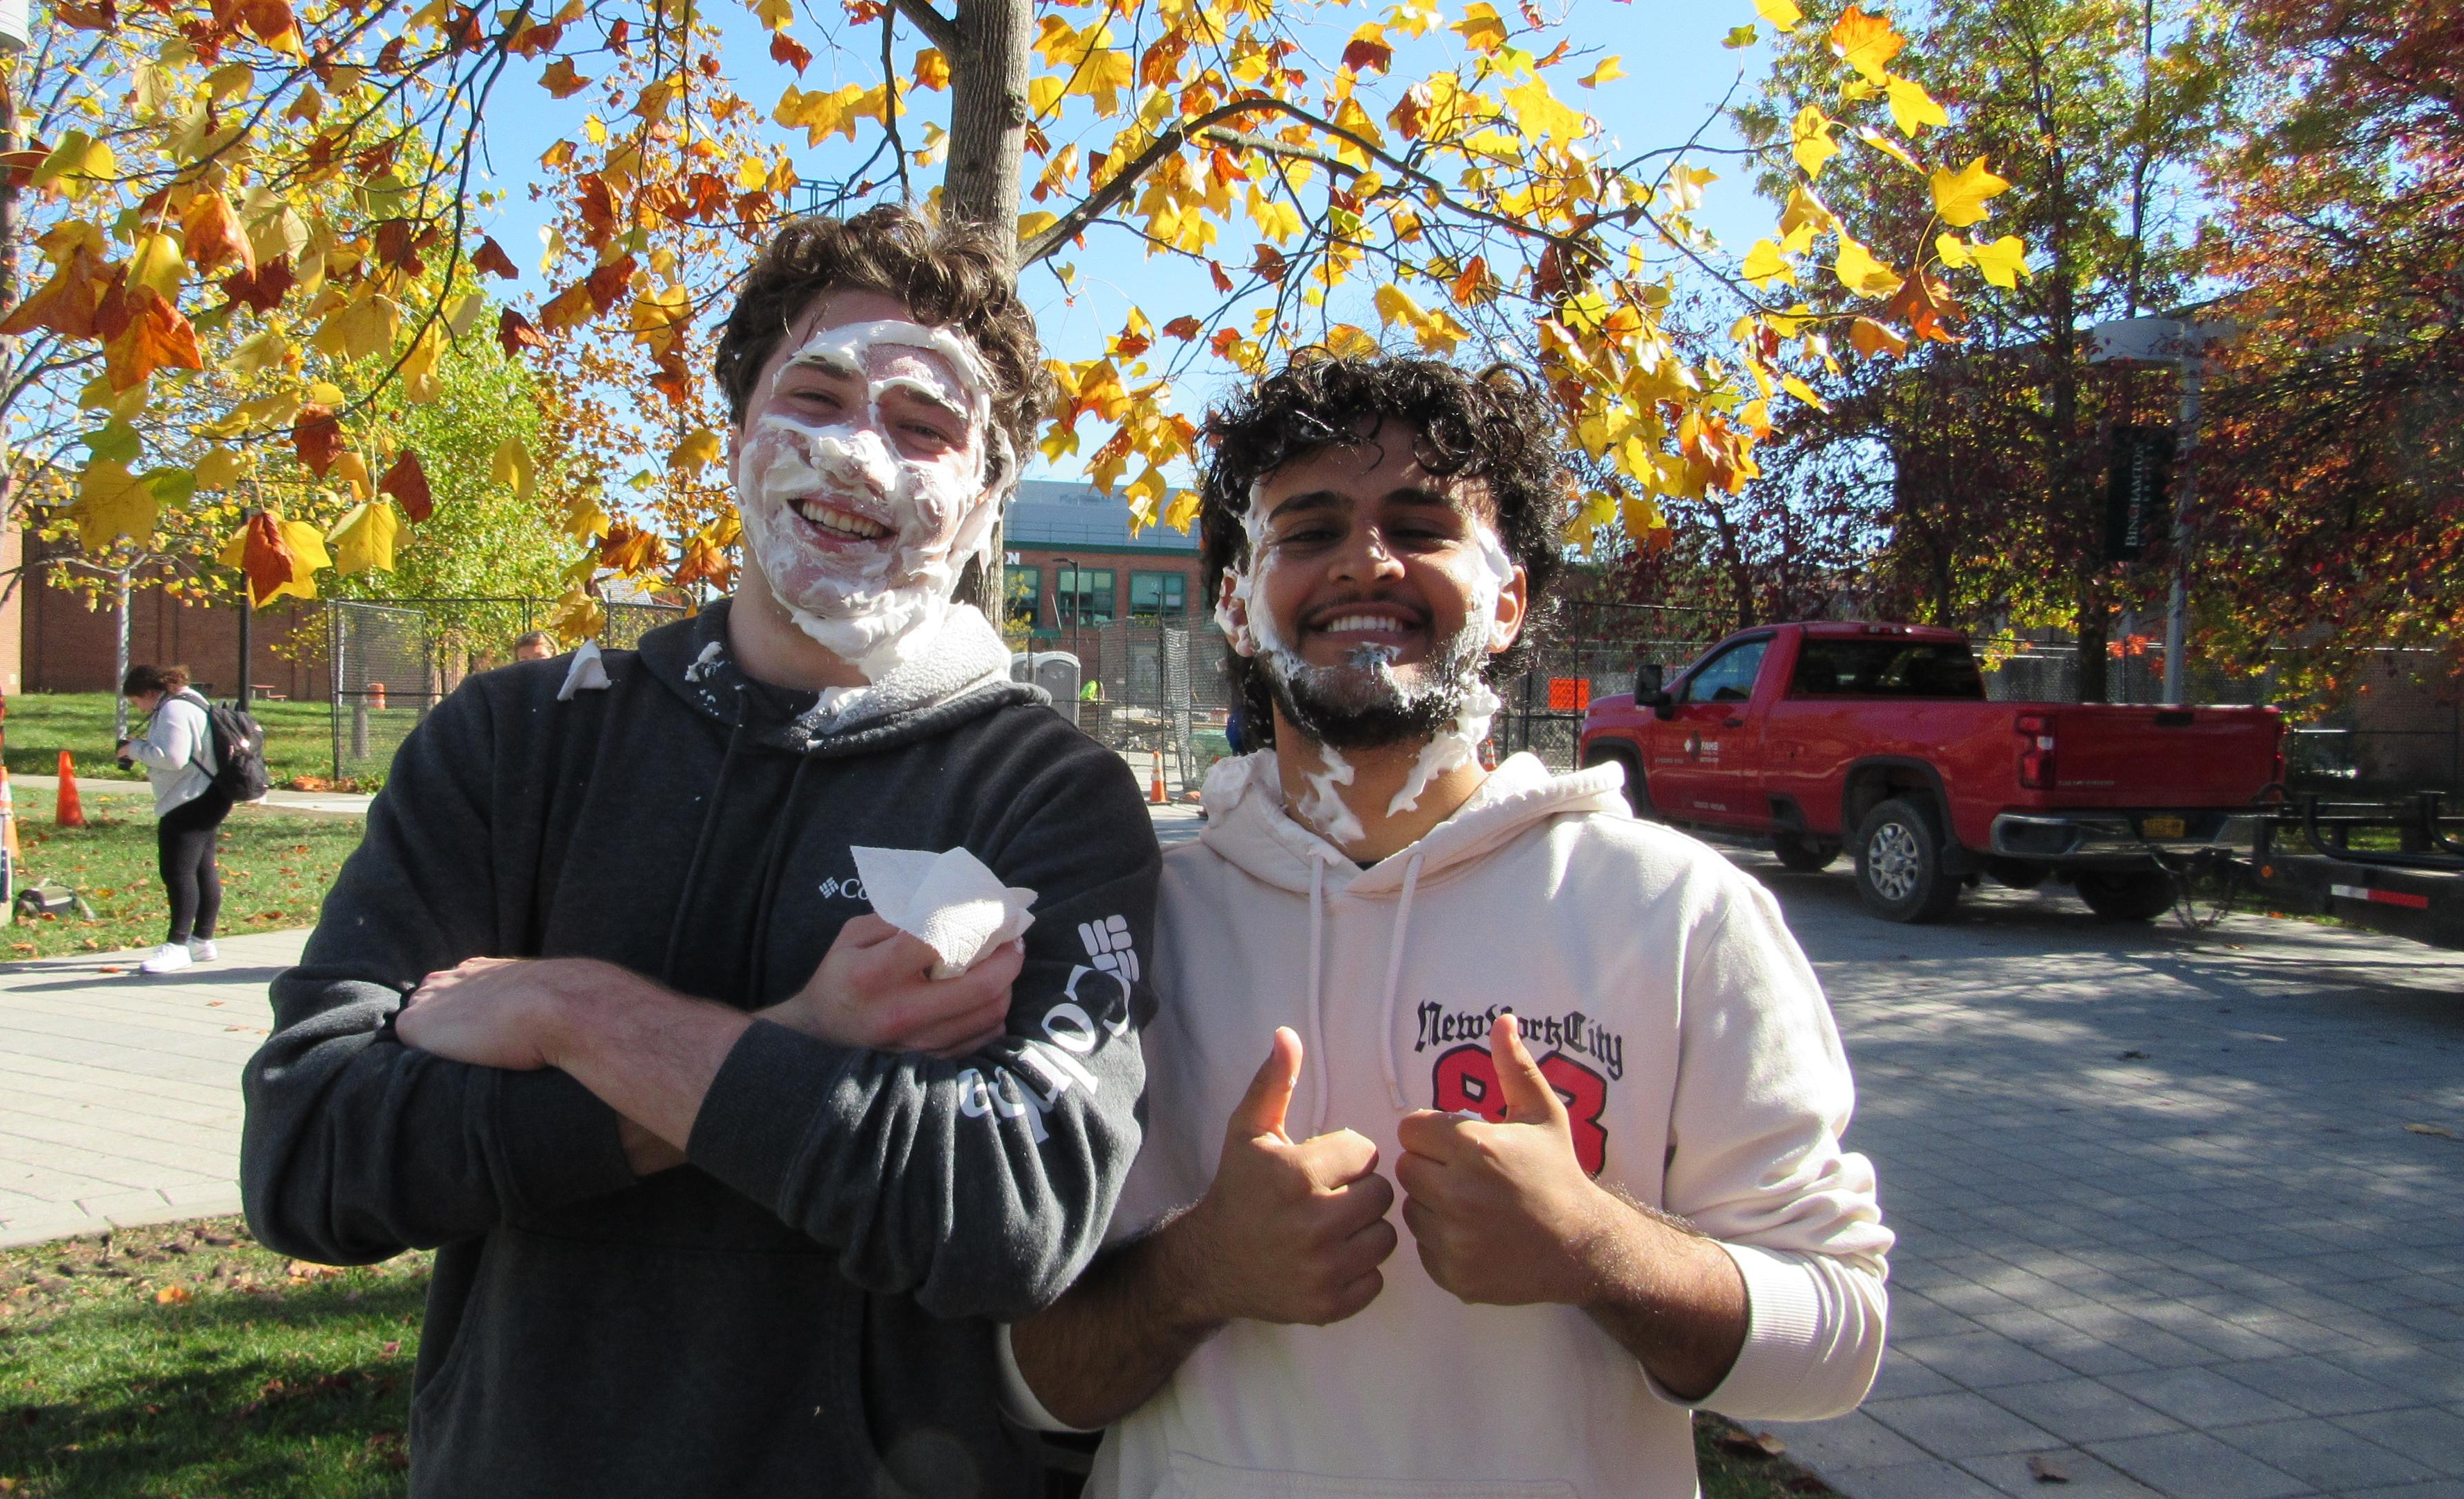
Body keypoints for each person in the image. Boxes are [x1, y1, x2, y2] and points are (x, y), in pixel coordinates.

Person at [240, 205, 1161, 1498]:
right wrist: (809, 1037)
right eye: (819, 395)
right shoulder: (514, 748)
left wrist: (577, 1009)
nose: (858, 457)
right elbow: (310, 1153)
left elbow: (1008, 1212)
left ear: (988, 495)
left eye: (923, 426)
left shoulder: (1049, 794)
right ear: (737, 438)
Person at [1002, 355, 1890, 1497]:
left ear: (1511, 599)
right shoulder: (1133, 929)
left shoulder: (1678, 915)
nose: (1366, 560)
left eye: (1419, 525)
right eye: (1310, 529)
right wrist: (1200, 1272)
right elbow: (1024, 1377)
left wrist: (1595, 1248)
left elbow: (1841, 1339)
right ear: (1232, 602)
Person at [117, 664, 228, 975]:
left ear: (151, 693)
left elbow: (173, 758)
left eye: (137, 701)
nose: (138, 707)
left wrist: (134, 749)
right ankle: (202, 940)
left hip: (188, 798)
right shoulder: (194, 700)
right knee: (202, 868)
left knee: (178, 872)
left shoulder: (173, 710)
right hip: (211, 793)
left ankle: (177, 945)